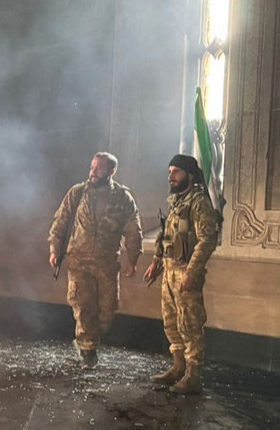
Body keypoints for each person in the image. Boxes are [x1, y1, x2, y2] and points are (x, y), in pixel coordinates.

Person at [48, 151, 143, 367]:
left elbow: (132, 229)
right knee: (83, 305)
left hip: (107, 262)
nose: (93, 171)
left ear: (112, 171)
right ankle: (87, 349)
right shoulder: (77, 193)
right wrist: (55, 249)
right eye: (92, 166)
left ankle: (90, 339)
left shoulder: (122, 198)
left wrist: (133, 258)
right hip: (78, 260)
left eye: (99, 167)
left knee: (108, 308)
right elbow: (61, 221)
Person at [143, 153, 220, 395]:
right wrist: (157, 261)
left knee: (190, 324)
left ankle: (193, 376)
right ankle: (178, 367)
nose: (171, 177)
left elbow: (207, 239)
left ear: (188, 174)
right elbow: (166, 234)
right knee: (171, 322)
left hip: (186, 272)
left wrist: (192, 271)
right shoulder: (176, 202)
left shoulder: (199, 203)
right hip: (169, 270)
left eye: (176, 172)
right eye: (169, 172)